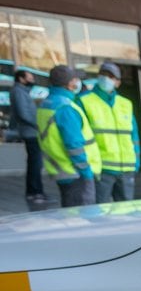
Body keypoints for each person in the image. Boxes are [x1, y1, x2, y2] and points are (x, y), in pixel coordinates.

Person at [36, 65, 100, 207]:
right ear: (70, 83)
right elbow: (74, 145)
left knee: (71, 215)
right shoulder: (66, 107)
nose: (78, 82)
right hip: (77, 173)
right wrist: (86, 172)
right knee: (82, 219)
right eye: (75, 79)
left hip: (61, 170)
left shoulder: (46, 104)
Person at [79, 61, 140, 202]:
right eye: (103, 74)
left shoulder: (125, 104)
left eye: (111, 76)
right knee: (101, 212)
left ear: (118, 82)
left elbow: (134, 136)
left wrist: (136, 162)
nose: (106, 79)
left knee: (126, 210)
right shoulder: (85, 101)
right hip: (102, 169)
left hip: (126, 168)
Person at [10, 68, 47, 204]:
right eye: (30, 78)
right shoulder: (19, 92)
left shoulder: (22, 92)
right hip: (30, 132)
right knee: (35, 163)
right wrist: (38, 124)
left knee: (34, 163)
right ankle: (35, 192)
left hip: (31, 131)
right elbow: (24, 113)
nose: (32, 80)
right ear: (21, 79)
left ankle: (35, 191)